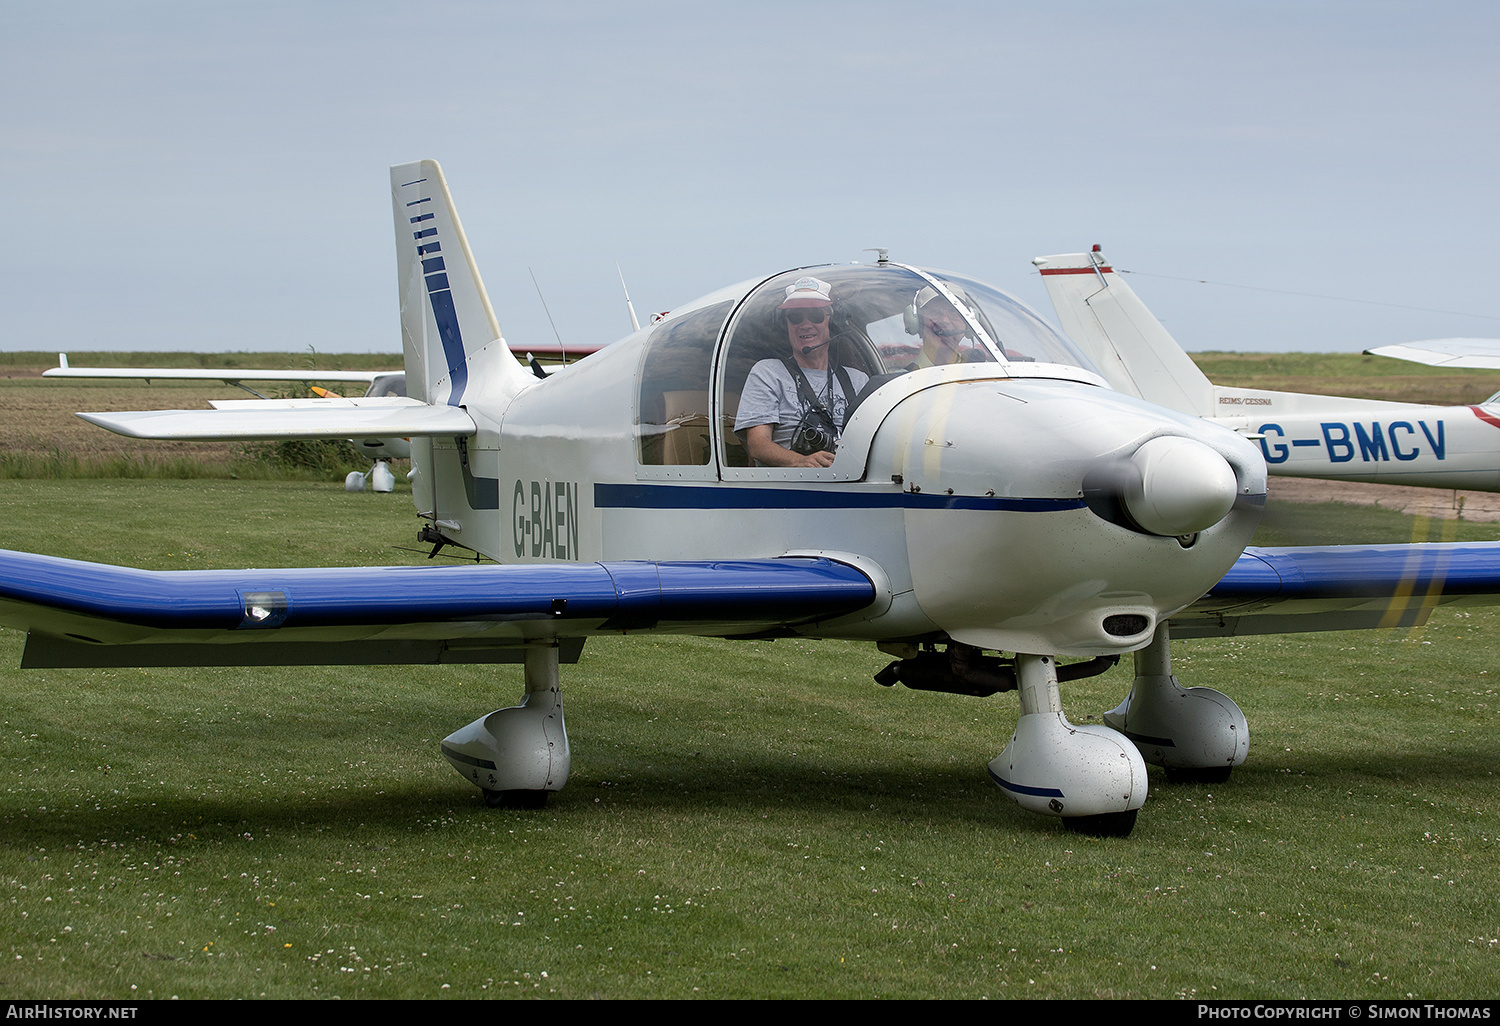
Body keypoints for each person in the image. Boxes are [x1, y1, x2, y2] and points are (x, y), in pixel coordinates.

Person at [735, 276, 869, 468]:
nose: (805, 324)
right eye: (796, 317)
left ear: (832, 322)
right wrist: (801, 461)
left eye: (815, 315)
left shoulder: (858, 380)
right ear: (786, 325)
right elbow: (758, 445)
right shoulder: (768, 373)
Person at [904, 285, 989, 369]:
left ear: (967, 322)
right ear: (919, 322)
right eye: (935, 312)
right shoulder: (903, 378)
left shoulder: (985, 372)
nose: (945, 321)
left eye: (954, 312)